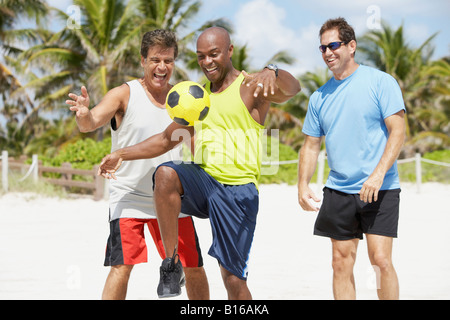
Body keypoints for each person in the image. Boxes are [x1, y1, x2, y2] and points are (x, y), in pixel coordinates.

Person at [98, 26, 301, 300]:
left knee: (232, 279)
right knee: (166, 174)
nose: (207, 62)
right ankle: (170, 264)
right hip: (204, 183)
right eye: (201, 56)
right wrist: (121, 154)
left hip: (237, 190)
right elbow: (165, 140)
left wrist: (273, 70)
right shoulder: (196, 96)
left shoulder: (251, 86)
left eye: (214, 54)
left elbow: (293, 89)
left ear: (229, 51)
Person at [65, 29, 209, 300]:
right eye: (155, 59)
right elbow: (90, 122)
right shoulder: (124, 94)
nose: (162, 67)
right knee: (121, 266)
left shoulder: (184, 99)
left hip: (171, 199)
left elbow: (196, 148)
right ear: (143, 61)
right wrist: (83, 114)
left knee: (194, 268)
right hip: (129, 196)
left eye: (168, 60)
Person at [297, 18, 406, 300]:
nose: (327, 53)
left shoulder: (381, 82)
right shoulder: (319, 97)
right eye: (322, 48)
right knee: (340, 262)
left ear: (351, 46)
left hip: (380, 187)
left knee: (380, 261)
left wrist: (379, 173)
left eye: (333, 45)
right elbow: (310, 146)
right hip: (338, 190)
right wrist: (302, 184)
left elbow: (398, 131)